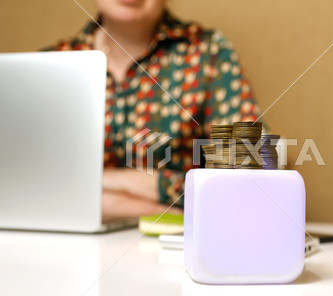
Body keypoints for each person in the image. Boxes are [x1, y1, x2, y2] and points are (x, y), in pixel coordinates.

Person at [44, 0, 263, 221]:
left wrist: (130, 183)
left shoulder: (208, 53)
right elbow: (30, 186)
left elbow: (250, 176)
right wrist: (154, 208)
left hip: (176, 242)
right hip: (65, 244)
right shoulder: (51, 64)